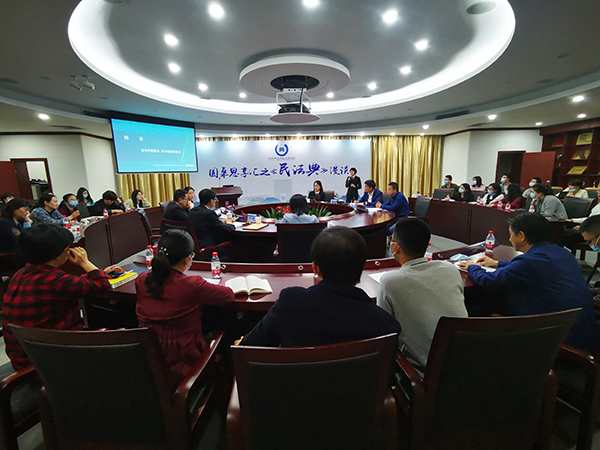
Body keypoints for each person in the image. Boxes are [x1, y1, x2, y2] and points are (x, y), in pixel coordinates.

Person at [239, 227, 401, 347]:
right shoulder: (385, 325)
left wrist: (241, 343)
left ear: (315, 268)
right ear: (362, 268)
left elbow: (250, 346)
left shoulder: (290, 303)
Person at [457, 213, 596, 354]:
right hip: (581, 334)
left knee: (483, 305)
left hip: (554, 341)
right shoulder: (561, 252)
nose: (510, 239)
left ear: (522, 236)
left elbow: (490, 281)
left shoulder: (529, 263)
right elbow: (531, 268)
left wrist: (472, 267)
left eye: (511, 234)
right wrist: (498, 263)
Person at [2, 223, 119, 370]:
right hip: (54, 360)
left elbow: (66, 285)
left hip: (26, 357)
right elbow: (103, 286)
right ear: (57, 253)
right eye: (67, 248)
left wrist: (98, 273)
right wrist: (85, 263)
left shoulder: (21, 273)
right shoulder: (56, 280)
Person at [136, 229, 234, 388]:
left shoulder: (141, 280)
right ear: (188, 259)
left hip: (148, 363)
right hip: (185, 369)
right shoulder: (192, 285)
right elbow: (228, 296)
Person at [377, 219, 467, 371]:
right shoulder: (450, 269)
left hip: (425, 373)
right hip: (464, 361)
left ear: (395, 247)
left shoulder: (390, 281)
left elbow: (384, 330)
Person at [188, 188, 235, 254]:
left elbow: (207, 224)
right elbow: (226, 229)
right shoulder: (209, 213)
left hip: (195, 247)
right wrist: (229, 223)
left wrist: (222, 222)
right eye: (214, 200)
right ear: (211, 201)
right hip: (209, 248)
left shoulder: (193, 211)